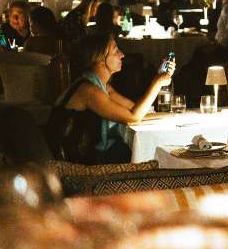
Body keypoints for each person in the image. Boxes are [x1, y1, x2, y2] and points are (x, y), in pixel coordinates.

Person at [47, 32, 175, 164]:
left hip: (88, 157)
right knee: (153, 158)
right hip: (77, 166)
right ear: (100, 58)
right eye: (116, 50)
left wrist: (158, 77)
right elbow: (133, 116)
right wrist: (157, 82)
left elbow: (134, 108)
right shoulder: (89, 91)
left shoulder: (103, 87)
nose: (122, 54)